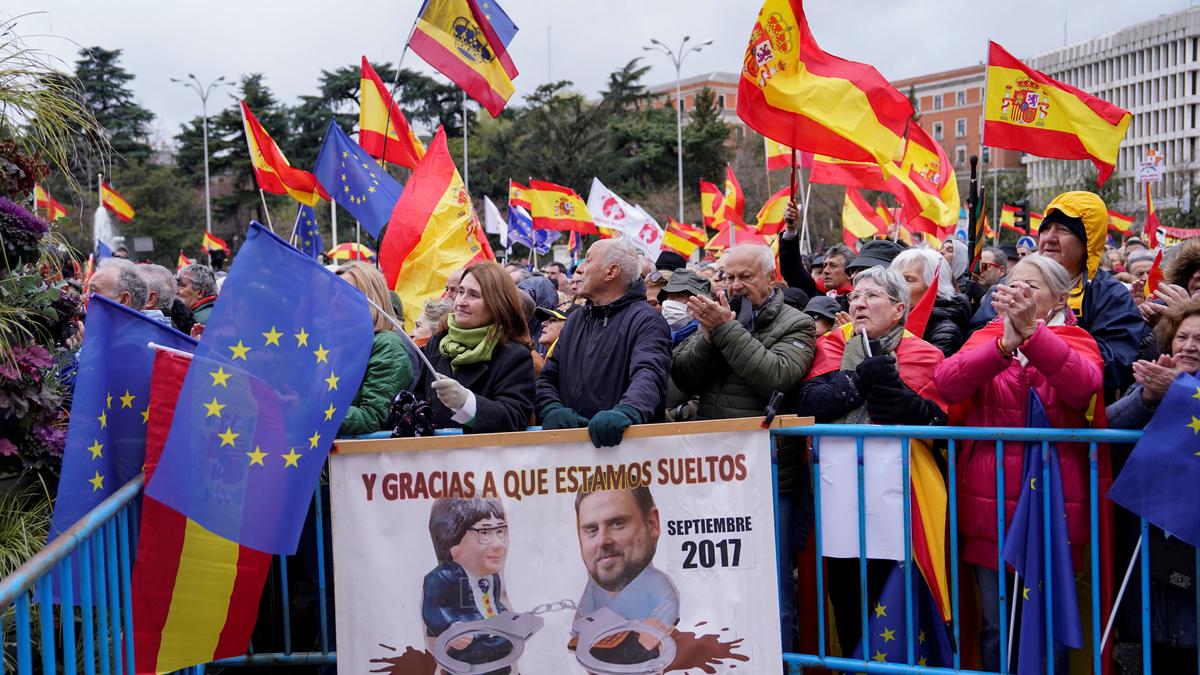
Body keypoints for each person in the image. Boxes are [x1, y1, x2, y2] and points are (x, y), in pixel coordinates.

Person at [934, 253, 1105, 672]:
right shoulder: (987, 335)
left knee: (1048, 624)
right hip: (987, 505)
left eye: (1032, 286)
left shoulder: (1078, 339)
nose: (1020, 293)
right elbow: (948, 383)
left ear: (1061, 297)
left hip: (1053, 507)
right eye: (1014, 284)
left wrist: (1032, 335)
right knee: (996, 626)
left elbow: (1083, 386)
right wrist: (1005, 344)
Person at [796, 265, 948, 651]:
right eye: (855, 296)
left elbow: (942, 419)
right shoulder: (831, 344)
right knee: (846, 591)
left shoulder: (925, 353)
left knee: (895, 592)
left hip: (904, 496)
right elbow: (811, 402)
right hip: (839, 495)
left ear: (899, 309)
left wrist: (910, 406)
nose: (859, 303)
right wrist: (859, 381)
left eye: (871, 296)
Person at [969, 192, 1144, 400]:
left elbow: (1115, 365)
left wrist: (1040, 350)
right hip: (1004, 409)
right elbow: (972, 347)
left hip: (1074, 422)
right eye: (1045, 229)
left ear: (1088, 242)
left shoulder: (1110, 295)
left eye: (1063, 230)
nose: (1050, 238)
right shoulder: (1007, 285)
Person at [1106, 299, 1199, 671]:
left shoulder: (1174, 380)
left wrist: (1184, 393)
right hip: (1152, 534)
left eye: (1199, 339)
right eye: (1182, 336)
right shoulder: (1158, 375)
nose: (1189, 346)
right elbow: (1108, 429)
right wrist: (1147, 397)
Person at [537, 239, 672, 447]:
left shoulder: (647, 321)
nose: (579, 269)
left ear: (611, 272)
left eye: (588, 260)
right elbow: (548, 377)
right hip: (571, 455)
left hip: (624, 456)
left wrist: (627, 412)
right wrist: (551, 408)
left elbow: (649, 374)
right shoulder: (575, 320)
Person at [672, 244, 815, 421]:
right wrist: (707, 343)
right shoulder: (718, 315)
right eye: (730, 278)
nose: (736, 286)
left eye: (745, 277)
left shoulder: (798, 323)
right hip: (709, 437)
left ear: (771, 277)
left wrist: (725, 330)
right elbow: (682, 379)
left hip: (761, 440)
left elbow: (778, 379)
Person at [417, 261, 536, 434]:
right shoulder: (438, 342)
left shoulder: (514, 355)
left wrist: (466, 403)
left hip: (482, 458)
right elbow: (421, 395)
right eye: (461, 291)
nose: (461, 301)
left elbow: (514, 418)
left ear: (497, 303)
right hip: (433, 457)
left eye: (473, 295)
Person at [573, 487, 679, 660]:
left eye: (617, 523)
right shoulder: (593, 586)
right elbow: (581, 620)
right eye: (591, 530)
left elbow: (665, 612)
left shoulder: (656, 583)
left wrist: (645, 637)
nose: (602, 541)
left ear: (652, 523)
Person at [422, 497, 514, 673]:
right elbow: (434, 609)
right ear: (453, 540)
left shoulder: (493, 578)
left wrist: (508, 619)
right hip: (467, 649)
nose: (499, 545)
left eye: (500, 532)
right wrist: (451, 627)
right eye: (485, 533)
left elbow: (494, 604)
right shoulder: (442, 578)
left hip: (494, 643)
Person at [334, 262, 413, 436]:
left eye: (345, 292)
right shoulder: (339, 344)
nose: (335, 300)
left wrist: (314, 414)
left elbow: (373, 417)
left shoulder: (387, 346)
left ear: (371, 299)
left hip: (358, 459)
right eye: (334, 292)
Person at [891, 248, 971, 356]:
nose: (897, 286)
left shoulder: (945, 332)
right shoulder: (894, 316)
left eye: (908, 280)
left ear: (934, 286)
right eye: (895, 278)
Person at [657, 269, 709, 348]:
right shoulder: (656, 331)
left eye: (678, 296)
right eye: (668, 296)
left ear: (698, 301)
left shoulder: (706, 335)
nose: (669, 302)